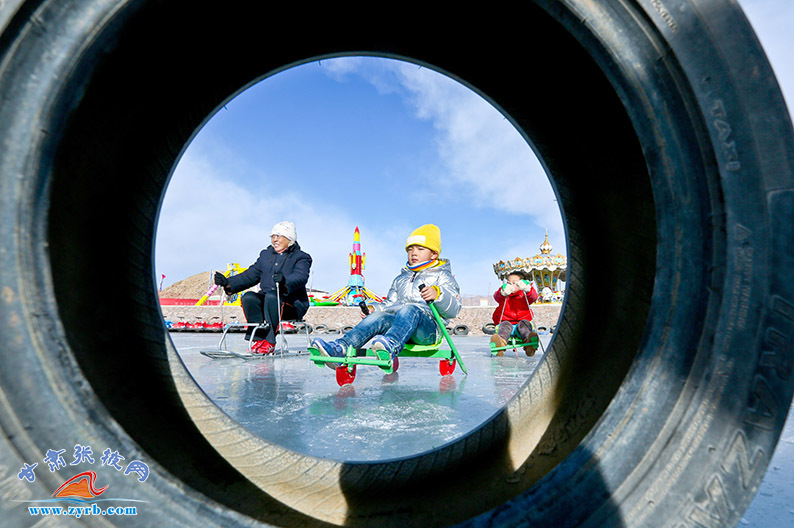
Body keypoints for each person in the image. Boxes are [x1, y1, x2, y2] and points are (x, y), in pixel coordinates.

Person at [312, 224, 460, 366]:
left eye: (420, 249)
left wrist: (438, 294)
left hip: (428, 331)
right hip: (401, 328)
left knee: (411, 308)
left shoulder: (442, 276)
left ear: (434, 254)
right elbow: (389, 305)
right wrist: (373, 310)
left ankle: (390, 346)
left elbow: (454, 309)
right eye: (410, 249)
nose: (414, 253)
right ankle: (340, 348)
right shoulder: (400, 279)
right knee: (379, 316)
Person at [213, 221, 312, 354]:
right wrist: (228, 283)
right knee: (249, 297)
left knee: (272, 296)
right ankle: (258, 339)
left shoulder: (301, 257)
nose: (274, 239)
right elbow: (250, 275)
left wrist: (284, 281)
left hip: (291, 304)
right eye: (272, 236)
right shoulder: (266, 255)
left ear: (290, 238)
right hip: (268, 302)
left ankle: (270, 341)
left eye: (278, 236)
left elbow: (300, 277)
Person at [491, 270, 540, 356]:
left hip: (521, 324)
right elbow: (497, 297)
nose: (511, 285)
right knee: (504, 326)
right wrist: (502, 292)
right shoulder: (505, 294)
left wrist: (528, 289)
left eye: (514, 283)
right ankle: (500, 343)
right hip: (507, 322)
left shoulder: (524, 294)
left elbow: (533, 297)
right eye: (509, 283)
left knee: (525, 325)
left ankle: (529, 342)